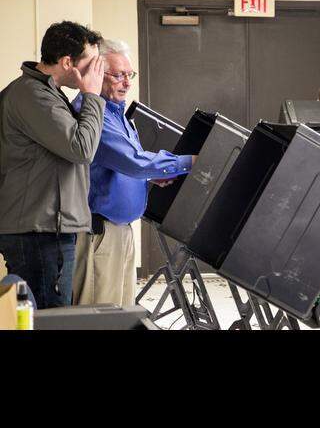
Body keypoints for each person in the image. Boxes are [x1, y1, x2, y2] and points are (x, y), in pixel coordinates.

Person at [71, 38, 195, 307]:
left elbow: (122, 166)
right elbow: (135, 162)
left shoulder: (118, 115)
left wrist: (152, 175)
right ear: (96, 74)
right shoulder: (94, 116)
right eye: (118, 75)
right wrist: (192, 162)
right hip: (101, 233)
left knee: (121, 312)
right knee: (98, 316)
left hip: (120, 230)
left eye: (129, 75)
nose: (127, 82)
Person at [0, 21, 106, 308]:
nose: (96, 72)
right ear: (67, 62)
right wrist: (93, 96)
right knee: (49, 318)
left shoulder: (45, 93)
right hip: (39, 233)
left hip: (42, 229)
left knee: (43, 315)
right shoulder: (33, 95)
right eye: (91, 64)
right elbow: (81, 148)